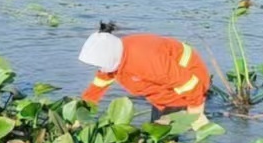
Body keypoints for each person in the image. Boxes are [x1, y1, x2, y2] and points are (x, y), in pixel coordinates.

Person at [77, 24, 209, 120]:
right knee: (158, 129)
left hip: (188, 79)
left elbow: (189, 84)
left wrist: (195, 109)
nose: (100, 68)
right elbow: (98, 85)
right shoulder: (116, 55)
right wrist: (81, 112)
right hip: (165, 85)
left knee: (164, 134)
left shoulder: (147, 62)